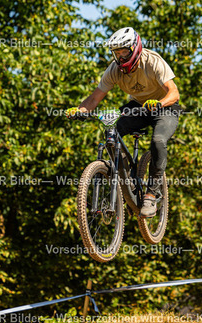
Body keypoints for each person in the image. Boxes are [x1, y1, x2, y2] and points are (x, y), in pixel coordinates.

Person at [66, 27, 180, 217]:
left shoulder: (152, 61)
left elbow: (174, 93)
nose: (120, 57)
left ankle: (151, 194)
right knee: (111, 128)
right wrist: (80, 111)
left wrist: (159, 103)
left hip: (165, 106)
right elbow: (94, 99)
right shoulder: (114, 70)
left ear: (135, 48)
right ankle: (128, 183)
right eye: (116, 53)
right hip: (138, 107)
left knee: (158, 141)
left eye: (124, 52)